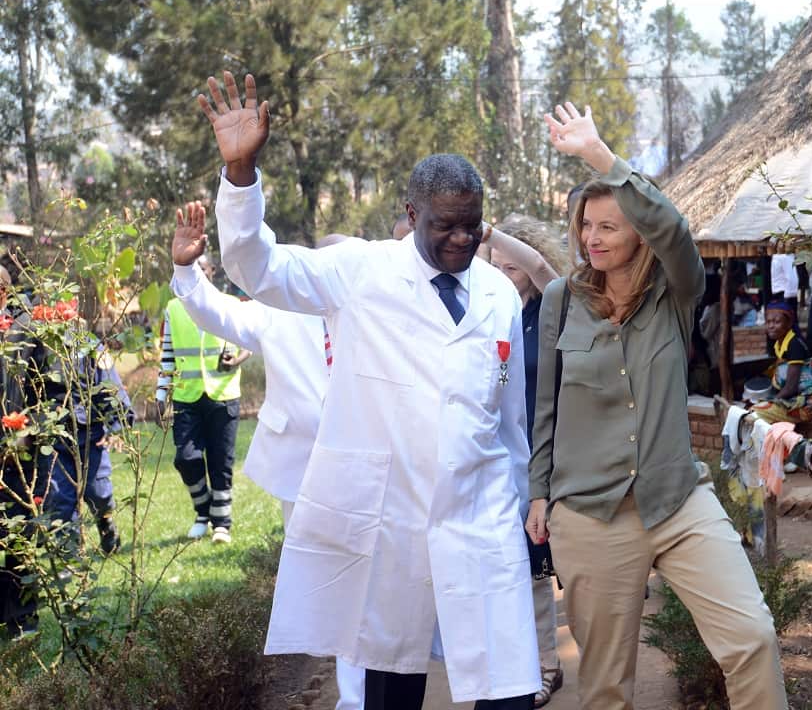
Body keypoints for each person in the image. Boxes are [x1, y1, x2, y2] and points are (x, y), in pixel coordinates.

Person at [196, 70, 538, 709]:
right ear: (411, 216)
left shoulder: (495, 291)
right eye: (445, 226)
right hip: (393, 521)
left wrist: (519, 506)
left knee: (508, 687)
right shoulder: (360, 271)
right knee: (388, 686)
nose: (462, 240)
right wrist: (241, 178)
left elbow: (510, 417)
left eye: (472, 225)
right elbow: (258, 268)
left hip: (482, 519)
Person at [525, 102, 787, 710]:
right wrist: (540, 492)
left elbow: (674, 229)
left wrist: (600, 158)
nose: (592, 237)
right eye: (585, 225)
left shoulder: (676, 294)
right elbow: (546, 409)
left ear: (637, 231)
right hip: (590, 513)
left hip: (677, 499)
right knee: (607, 687)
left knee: (752, 637)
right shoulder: (563, 301)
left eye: (608, 226)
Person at [170, 204, 365, 709]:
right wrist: (186, 269)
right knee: (323, 586)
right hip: (302, 471)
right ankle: (333, 670)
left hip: (368, 470)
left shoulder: (377, 314)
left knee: (362, 587)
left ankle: (356, 698)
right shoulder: (278, 312)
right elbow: (216, 312)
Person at [484, 214, 565, 707]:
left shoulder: (553, 308)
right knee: (509, 562)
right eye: (495, 267)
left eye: (511, 270)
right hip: (499, 457)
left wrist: (489, 232)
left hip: (549, 455)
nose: (503, 277)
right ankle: (515, 665)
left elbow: (540, 267)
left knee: (542, 564)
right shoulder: (489, 309)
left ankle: (549, 666)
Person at [156, 253, 251, 544]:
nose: (198, 273)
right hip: (187, 396)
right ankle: (203, 511)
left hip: (223, 395)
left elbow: (249, 342)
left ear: (211, 272)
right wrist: (162, 394)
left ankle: (221, 523)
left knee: (221, 461)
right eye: (193, 268)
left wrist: (236, 359)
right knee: (186, 458)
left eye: (203, 268)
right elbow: (168, 354)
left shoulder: (230, 305)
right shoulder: (174, 308)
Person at [33, 305, 132, 557]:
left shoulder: (89, 346)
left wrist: (116, 428)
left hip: (91, 436)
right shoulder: (36, 347)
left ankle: (106, 523)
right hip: (54, 437)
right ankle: (70, 555)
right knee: (60, 498)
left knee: (98, 492)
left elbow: (110, 386)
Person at [0, 267, 44, 638]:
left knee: (19, 535)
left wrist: (29, 430)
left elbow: (43, 388)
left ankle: (23, 616)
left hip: (17, 450)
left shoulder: (25, 330)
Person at [750, 301, 812, 425]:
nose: (771, 326)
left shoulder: (794, 345)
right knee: (754, 412)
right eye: (768, 322)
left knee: (756, 413)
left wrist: (773, 401)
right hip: (799, 395)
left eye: (776, 322)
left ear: (789, 324)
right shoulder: (779, 344)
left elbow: (791, 388)